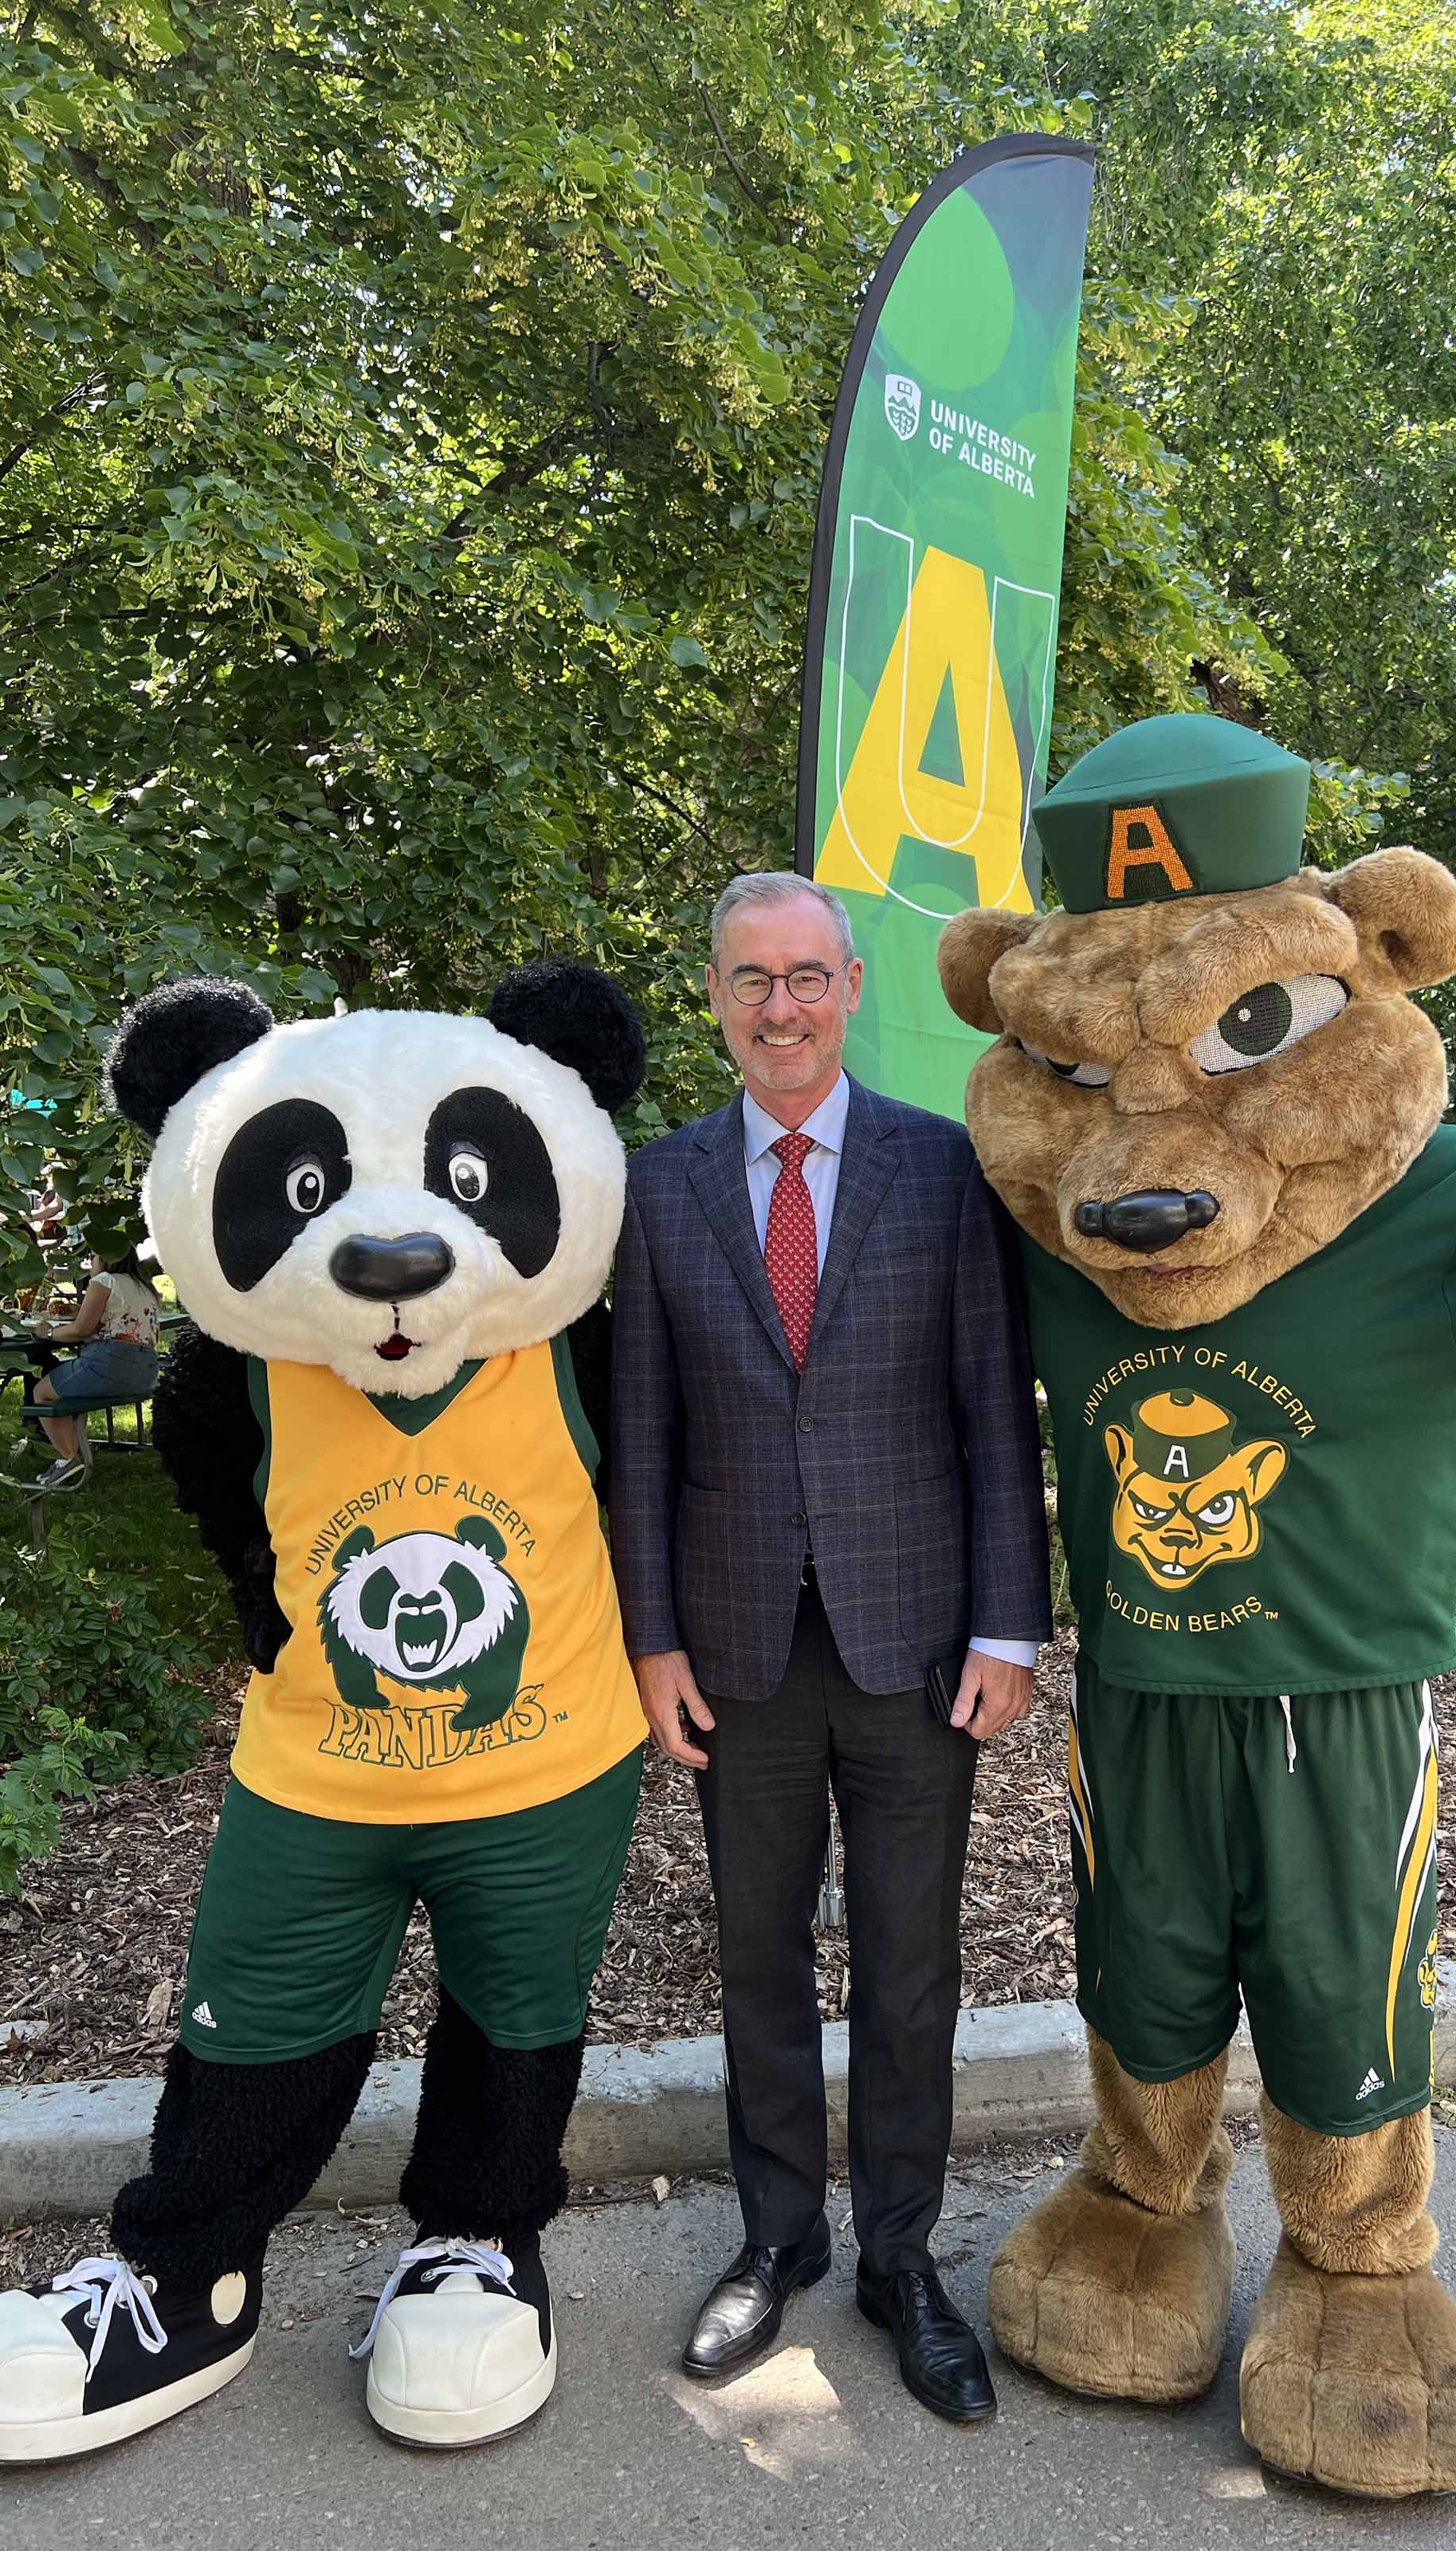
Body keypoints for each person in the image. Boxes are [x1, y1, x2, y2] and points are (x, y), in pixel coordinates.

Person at [610, 872, 1051, 2424]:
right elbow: (643, 1438)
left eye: (806, 976)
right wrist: (650, 1641)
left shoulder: (944, 1173)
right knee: (755, 1958)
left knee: (912, 1971)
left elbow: (997, 1411)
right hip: (735, 1649)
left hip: (921, 1643)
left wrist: (1012, 1620)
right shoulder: (658, 1188)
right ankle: (779, 2236)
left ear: (853, 986)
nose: (780, 1006)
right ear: (716, 995)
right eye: (750, 979)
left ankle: (900, 2260)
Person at [26, 1242, 162, 1486]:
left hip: (111, 1364)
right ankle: (75, 1451)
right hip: (145, 1370)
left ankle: (69, 1458)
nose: (92, 1263)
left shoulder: (104, 1281)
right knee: (75, 1390)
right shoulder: (145, 1287)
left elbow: (81, 1330)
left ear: (107, 1259)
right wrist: (78, 1309)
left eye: (95, 1256)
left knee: (42, 1392)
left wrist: (46, 1333)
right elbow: (118, 1316)